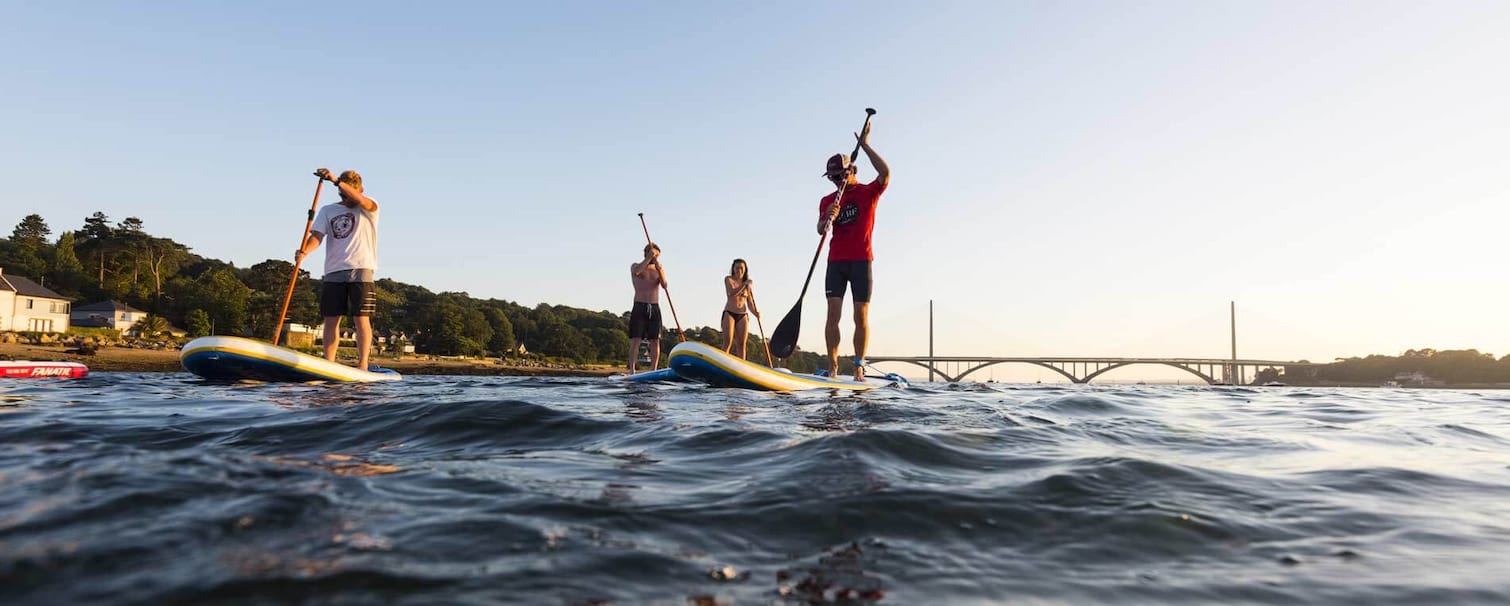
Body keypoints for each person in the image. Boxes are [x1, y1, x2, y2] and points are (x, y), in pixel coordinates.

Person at [817, 121, 890, 381]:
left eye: (839, 176)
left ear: (850, 171)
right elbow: (820, 229)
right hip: (836, 262)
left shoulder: (868, 192)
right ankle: (833, 366)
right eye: (832, 178)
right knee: (832, 314)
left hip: (861, 261)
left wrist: (866, 146)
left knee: (860, 316)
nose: (836, 181)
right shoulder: (828, 200)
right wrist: (827, 217)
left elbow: (885, 173)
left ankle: (858, 366)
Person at [296, 168, 379, 371]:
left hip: (361, 268)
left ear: (361, 189)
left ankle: (363, 365)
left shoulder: (370, 206)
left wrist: (336, 181)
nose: (347, 198)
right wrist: (304, 252)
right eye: (343, 194)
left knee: (361, 318)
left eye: (350, 192)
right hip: (333, 270)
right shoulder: (327, 210)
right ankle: (329, 363)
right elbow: (317, 236)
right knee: (331, 319)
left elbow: (360, 200)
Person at [628, 243, 666, 373]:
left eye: (657, 256)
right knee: (635, 340)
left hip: (654, 306)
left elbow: (665, 285)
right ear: (648, 253)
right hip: (640, 305)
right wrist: (648, 258)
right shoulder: (636, 266)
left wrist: (660, 270)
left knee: (655, 340)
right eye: (655, 255)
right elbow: (637, 271)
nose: (656, 258)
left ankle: (653, 369)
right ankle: (632, 370)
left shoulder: (658, 269)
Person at [721, 258, 761, 359]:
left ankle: (741, 365)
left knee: (742, 344)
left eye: (741, 268)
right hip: (729, 313)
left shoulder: (747, 286)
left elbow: (750, 303)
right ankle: (723, 361)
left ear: (745, 270)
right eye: (737, 268)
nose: (739, 270)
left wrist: (755, 313)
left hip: (742, 314)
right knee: (728, 341)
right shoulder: (728, 279)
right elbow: (731, 293)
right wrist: (744, 284)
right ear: (733, 269)